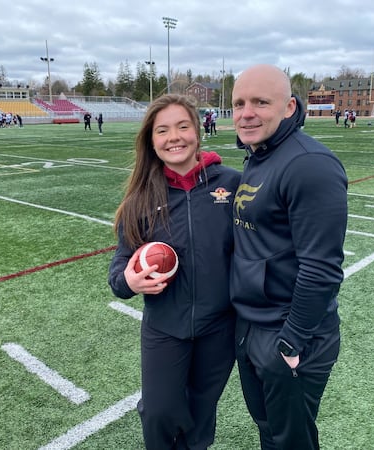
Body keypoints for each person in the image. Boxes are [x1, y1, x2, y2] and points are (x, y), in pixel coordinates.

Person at [108, 94, 241, 450]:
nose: (174, 137)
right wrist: (130, 281)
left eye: (183, 126)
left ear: (198, 131)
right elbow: (118, 274)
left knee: (201, 412)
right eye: (163, 130)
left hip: (220, 325)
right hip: (165, 325)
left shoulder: (232, 183)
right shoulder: (140, 198)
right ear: (152, 142)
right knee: (158, 411)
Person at [230, 64, 348, 450]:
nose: (247, 112)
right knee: (270, 432)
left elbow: (322, 268)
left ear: (288, 107)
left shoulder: (308, 164)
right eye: (239, 103)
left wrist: (291, 343)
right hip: (252, 327)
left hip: (287, 334)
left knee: (291, 442)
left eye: (261, 102)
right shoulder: (259, 155)